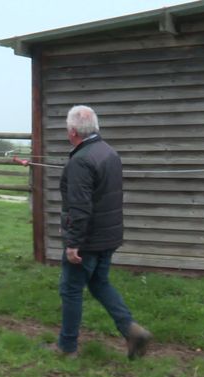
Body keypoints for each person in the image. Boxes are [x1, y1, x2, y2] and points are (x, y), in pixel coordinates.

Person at [57, 105, 152, 360]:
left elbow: (80, 206)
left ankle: (67, 348)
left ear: (73, 131)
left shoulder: (81, 160)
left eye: (68, 129)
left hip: (87, 239)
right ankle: (131, 330)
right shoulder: (109, 153)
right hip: (108, 236)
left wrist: (73, 243)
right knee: (99, 283)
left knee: (71, 289)